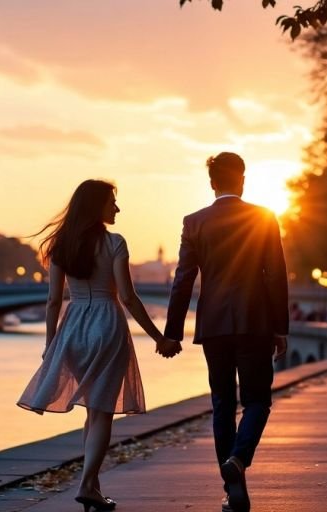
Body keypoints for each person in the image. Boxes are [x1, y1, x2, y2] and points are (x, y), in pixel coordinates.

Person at [17, 180, 180, 512]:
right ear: (96, 207)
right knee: (102, 410)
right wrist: (159, 338)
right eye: (112, 203)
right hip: (107, 326)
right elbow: (129, 298)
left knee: (93, 412)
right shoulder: (115, 243)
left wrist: (51, 345)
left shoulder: (61, 245)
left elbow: (52, 302)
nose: (117, 209)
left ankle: (92, 486)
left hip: (74, 328)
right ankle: (86, 484)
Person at [164, 152, 289, 512]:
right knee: (257, 401)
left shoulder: (195, 222)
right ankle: (239, 460)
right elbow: (275, 275)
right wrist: (279, 327)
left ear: (212, 183)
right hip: (255, 323)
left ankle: (233, 490)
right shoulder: (264, 218)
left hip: (214, 326)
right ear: (243, 179)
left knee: (222, 403)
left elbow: (183, 280)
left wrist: (173, 333)